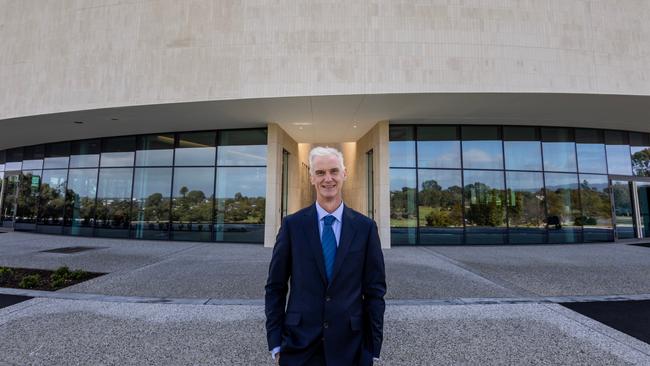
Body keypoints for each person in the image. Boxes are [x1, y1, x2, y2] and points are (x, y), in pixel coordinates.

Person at [265, 146, 386, 366]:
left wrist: (372, 348)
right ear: (311, 177)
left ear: (344, 174)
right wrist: (275, 343)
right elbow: (275, 287)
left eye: (333, 171)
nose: (327, 179)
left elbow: (375, 291)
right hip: (298, 346)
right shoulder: (293, 225)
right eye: (320, 173)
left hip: (351, 347)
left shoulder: (365, 228)